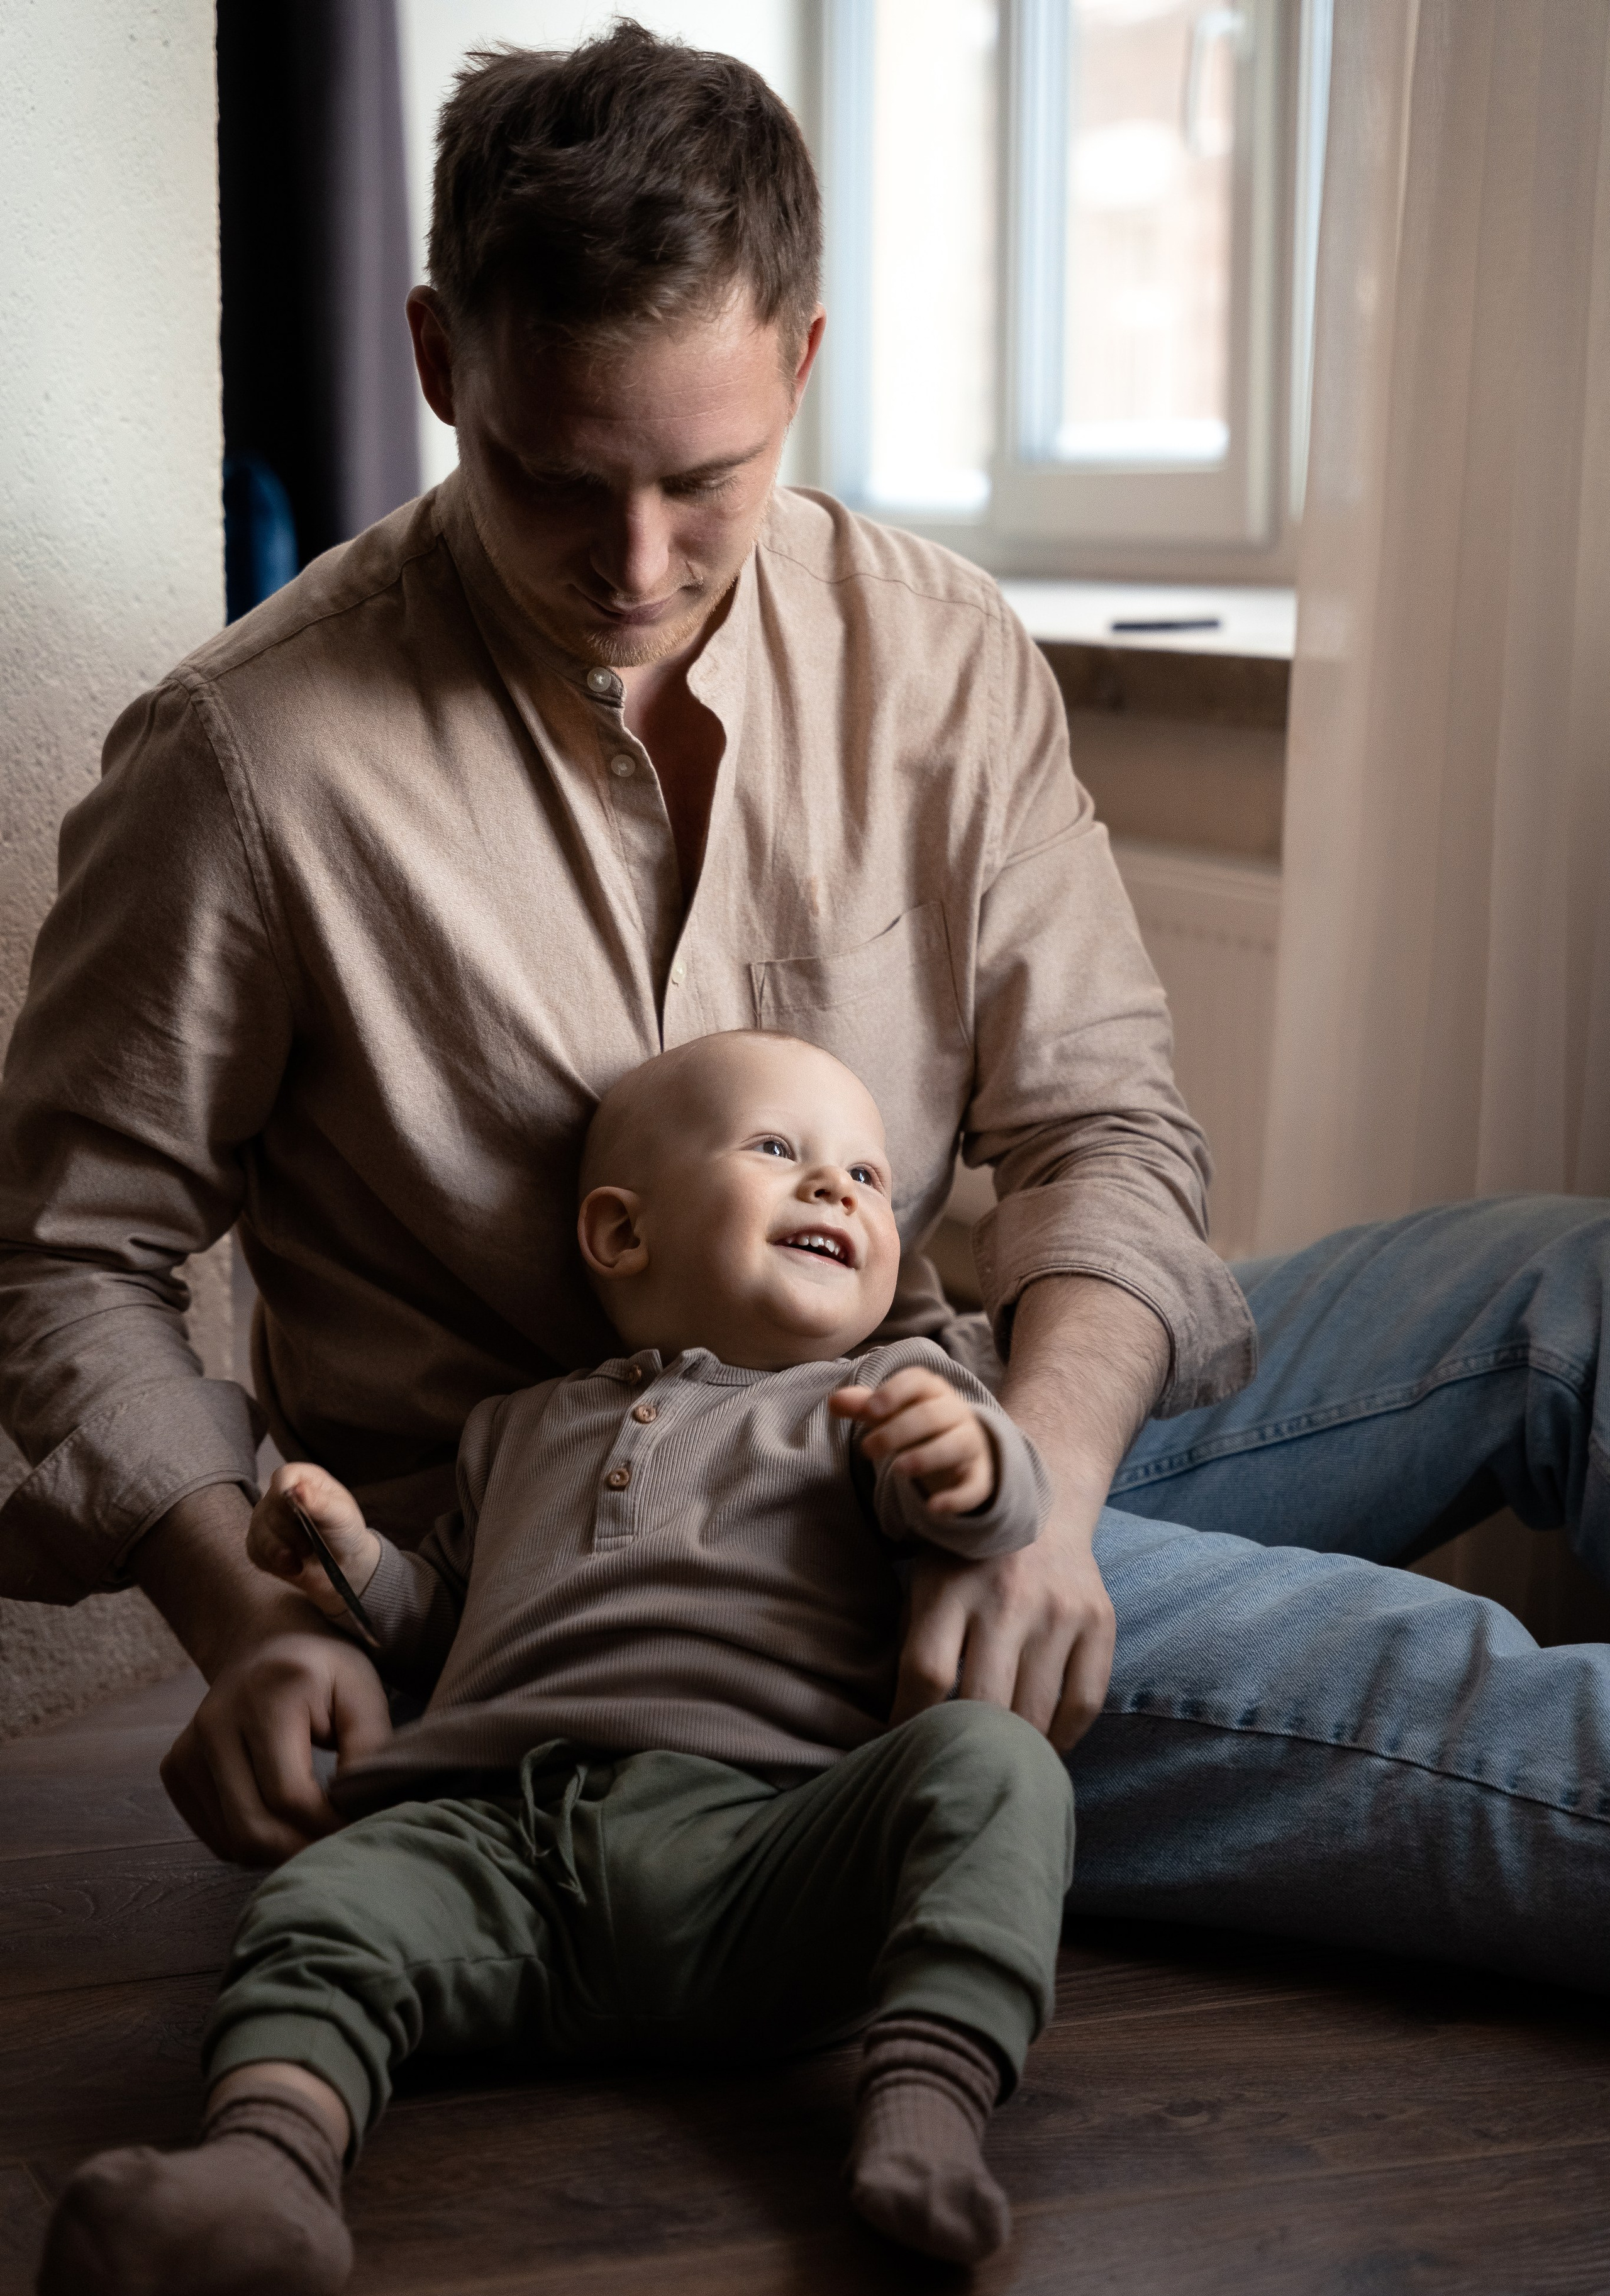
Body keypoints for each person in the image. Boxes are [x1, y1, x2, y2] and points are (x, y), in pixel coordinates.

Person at [1, 25, 1607, 1999]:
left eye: (707, 481)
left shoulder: (941, 653)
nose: (636, 565)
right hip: (601, 1617)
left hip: (937, 1441)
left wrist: (1041, 1505)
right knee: (1498, 1725)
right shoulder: (242, 759)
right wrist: (252, 1620)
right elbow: (71, 1256)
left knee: (1565, 1290)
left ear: (806, 361)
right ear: (437, 360)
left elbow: (1100, 1130)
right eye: (552, 478)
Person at [37, 1033, 1073, 2296]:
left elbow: (991, 1515)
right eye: (778, 1149)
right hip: (502, 1847)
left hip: (760, 1849)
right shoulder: (511, 1430)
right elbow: (438, 1623)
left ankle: (926, 2107)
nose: (838, 1188)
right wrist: (347, 1561)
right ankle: (271, 2167)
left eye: (868, 1174)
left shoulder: (876, 1396)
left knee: (993, 1762)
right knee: (325, 1899)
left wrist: (971, 1459)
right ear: (620, 1234)